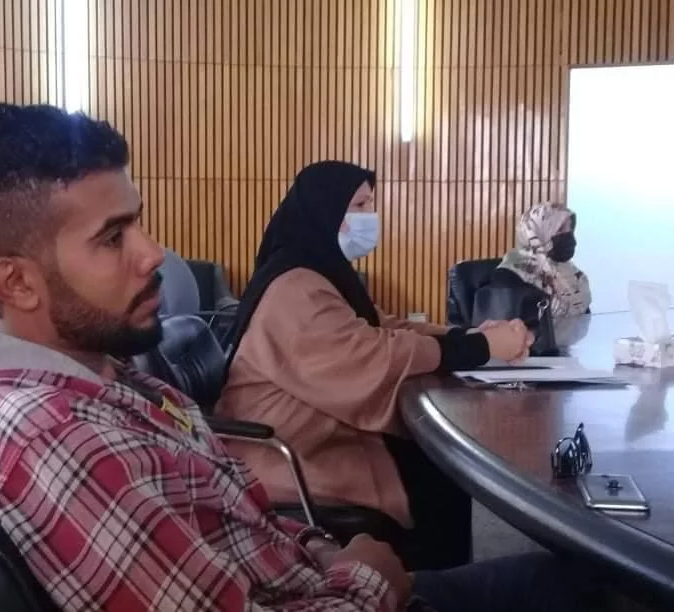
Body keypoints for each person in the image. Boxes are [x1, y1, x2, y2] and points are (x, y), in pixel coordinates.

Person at [0, 104, 606, 611]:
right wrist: (368, 578)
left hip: (315, 577)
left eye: (136, 223)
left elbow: (234, 522)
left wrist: (327, 557)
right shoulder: (54, 441)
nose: (154, 254)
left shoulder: (96, 379)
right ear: (16, 283)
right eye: (112, 238)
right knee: (600, 592)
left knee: (582, 582)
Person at [218, 161, 533, 570]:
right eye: (359, 205)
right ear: (324, 210)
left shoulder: (322, 273)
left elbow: (385, 328)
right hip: (293, 454)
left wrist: (470, 336)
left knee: (440, 470)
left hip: (322, 433)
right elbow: (372, 356)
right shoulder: (295, 289)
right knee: (438, 476)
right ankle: (426, 589)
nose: (371, 216)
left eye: (370, 203)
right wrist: (480, 346)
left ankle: (439, 582)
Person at [494, 202, 591, 318]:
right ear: (537, 231)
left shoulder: (571, 273)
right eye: (560, 229)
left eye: (570, 229)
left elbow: (584, 318)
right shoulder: (510, 275)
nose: (569, 236)